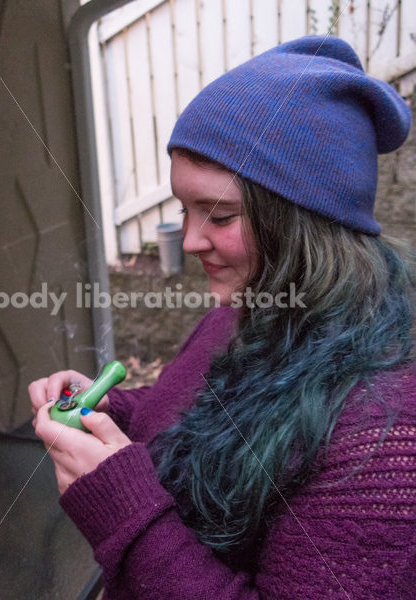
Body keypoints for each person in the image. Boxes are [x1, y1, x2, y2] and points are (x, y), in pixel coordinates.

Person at [28, 35, 415, 599]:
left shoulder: (383, 442)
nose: (189, 240)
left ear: (308, 219)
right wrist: (113, 408)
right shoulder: (254, 303)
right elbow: (202, 411)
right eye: (184, 209)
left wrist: (123, 511)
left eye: (221, 214)